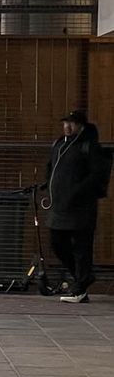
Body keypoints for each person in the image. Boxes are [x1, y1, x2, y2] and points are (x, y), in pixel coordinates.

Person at [46, 110, 110, 304]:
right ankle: (83, 278)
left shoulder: (88, 146)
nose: (67, 127)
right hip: (60, 205)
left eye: (72, 123)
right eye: (65, 123)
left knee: (82, 247)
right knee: (57, 242)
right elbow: (52, 167)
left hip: (81, 207)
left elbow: (97, 174)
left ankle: (80, 287)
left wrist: (77, 190)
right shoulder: (59, 144)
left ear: (81, 126)